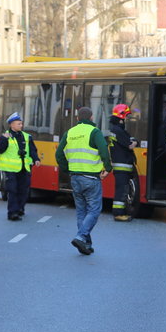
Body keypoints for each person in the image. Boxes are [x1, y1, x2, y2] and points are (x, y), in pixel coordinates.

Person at [56, 107, 112, 255]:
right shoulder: (94, 132)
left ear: (77, 118)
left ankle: (86, 243)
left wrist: (67, 169)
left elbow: (58, 153)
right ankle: (80, 237)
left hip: (75, 178)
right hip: (91, 178)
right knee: (94, 210)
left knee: (81, 211)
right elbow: (104, 150)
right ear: (92, 117)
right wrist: (108, 167)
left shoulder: (70, 132)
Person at [0, 113, 40, 220]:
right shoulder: (6, 136)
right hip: (10, 169)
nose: (21, 125)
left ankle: (20, 208)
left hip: (24, 168)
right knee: (12, 190)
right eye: (18, 124)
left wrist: (36, 159)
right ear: (12, 125)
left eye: (21, 123)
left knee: (23, 190)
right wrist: (3, 139)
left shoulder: (26, 136)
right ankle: (12, 213)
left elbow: (32, 150)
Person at [108, 104, 138, 222]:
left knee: (122, 189)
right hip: (123, 166)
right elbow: (130, 145)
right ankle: (118, 213)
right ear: (121, 118)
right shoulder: (119, 131)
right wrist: (135, 142)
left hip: (119, 166)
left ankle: (119, 212)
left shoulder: (114, 130)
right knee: (122, 190)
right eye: (126, 117)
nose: (126, 119)